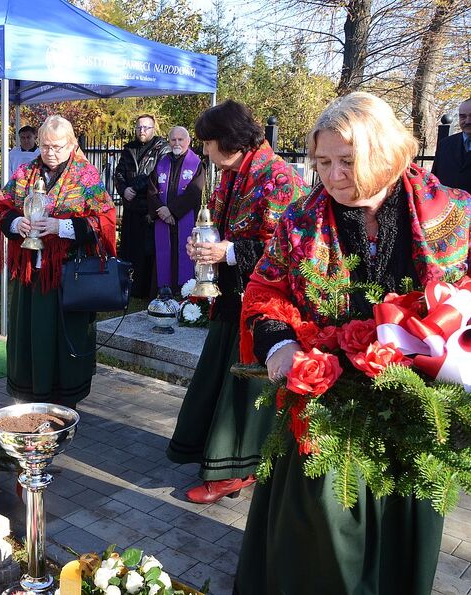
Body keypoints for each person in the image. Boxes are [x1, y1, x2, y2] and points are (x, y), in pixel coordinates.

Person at [235, 92, 471, 595]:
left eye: (348, 160)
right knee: (321, 532)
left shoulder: (453, 214)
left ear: (385, 152)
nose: (334, 175)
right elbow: (265, 289)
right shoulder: (301, 219)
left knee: (403, 528)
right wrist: (278, 345)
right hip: (327, 398)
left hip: (417, 409)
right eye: (322, 162)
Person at [165, 100, 307, 503]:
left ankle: (237, 469)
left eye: (209, 143)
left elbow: (285, 249)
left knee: (244, 388)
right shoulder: (233, 172)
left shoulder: (278, 177)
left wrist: (225, 252)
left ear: (229, 140)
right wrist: (204, 245)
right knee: (223, 377)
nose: (204, 152)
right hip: (231, 298)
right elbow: (222, 228)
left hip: (265, 307)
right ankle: (222, 459)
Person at [0, 115, 116, 408]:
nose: (50, 153)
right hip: (29, 277)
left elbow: (106, 220)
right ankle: (29, 398)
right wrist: (15, 221)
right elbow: (0, 206)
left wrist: (63, 228)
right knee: (30, 338)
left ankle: (64, 405)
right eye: (45, 146)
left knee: (64, 340)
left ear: (72, 144)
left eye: (58, 146)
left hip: (67, 276)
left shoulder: (86, 176)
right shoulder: (26, 172)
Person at [114, 114, 171, 299]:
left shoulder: (162, 148)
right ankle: (130, 288)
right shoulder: (129, 148)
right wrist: (123, 189)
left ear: (153, 129)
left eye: (146, 127)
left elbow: (157, 175)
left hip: (150, 208)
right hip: (131, 207)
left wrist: (134, 188)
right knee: (130, 250)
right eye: (139, 127)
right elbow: (119, 173)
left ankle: (148, 290)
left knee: (148, 252)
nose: (142, 131)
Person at [147, 126, 205, 293]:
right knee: (164, 257)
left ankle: (184, 292)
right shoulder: (161, 163)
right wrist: (162, 211)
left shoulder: (196, 164)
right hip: (164, 221)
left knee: (183, 257)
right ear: (169, 141)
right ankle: (162, 292)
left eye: (181, 139)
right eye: (173, 139)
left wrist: (171, 211)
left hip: (184, 218)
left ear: (188, 141)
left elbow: (195, 192)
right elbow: (151, 191)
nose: (177, 143)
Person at [431, 97, 471, 193]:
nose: (468, 121)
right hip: (447, 205)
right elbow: (434, 180)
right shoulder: (445, 144)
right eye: (463, 116)